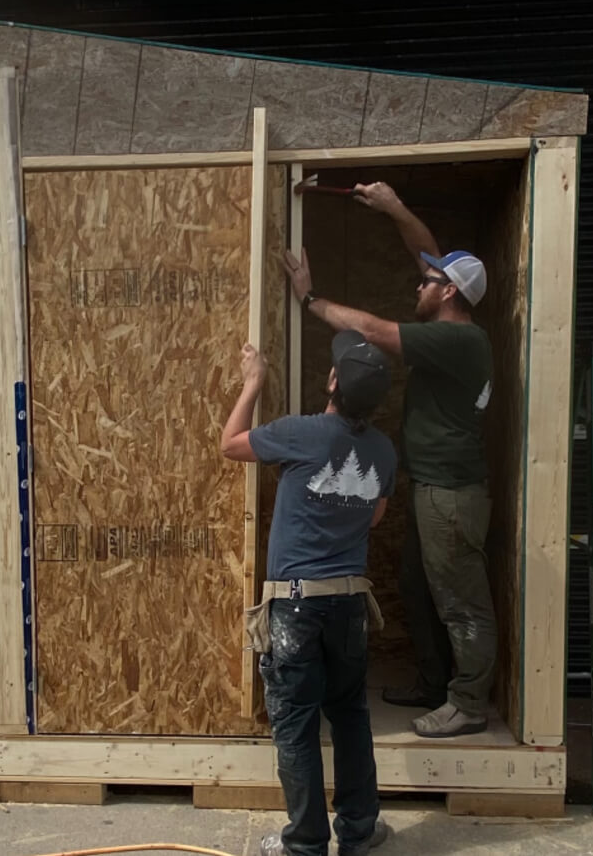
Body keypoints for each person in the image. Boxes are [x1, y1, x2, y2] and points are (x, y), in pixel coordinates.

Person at [279, 180, 496, 739]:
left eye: (428, 280)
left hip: (451, 492)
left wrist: (309, 299)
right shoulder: (447, 320)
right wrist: (396, 208)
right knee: (418, 586)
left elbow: (373, 331)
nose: (416, 282)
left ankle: (468, 701)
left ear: (448, 294)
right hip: (434, 486)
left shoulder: (456, 342)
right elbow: (426, 251)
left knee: (459, 600)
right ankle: (433, 682)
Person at [221, 331, 396, 856]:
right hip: (349, 604)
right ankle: (359, 832)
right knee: (349, 714)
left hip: (296, 607)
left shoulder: (302, 434)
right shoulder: (384, 451)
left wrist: (254, 381)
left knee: (296, 723)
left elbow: (230, 443)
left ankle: (305, 845)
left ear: (332, 381)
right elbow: (375, 517)